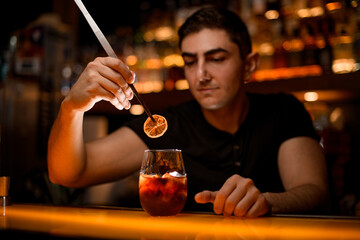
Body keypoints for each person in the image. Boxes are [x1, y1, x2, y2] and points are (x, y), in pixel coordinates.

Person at [47, 7, 329, 217]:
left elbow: (314, 192)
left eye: (217, 59)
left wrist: (267, 201)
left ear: (249, 65)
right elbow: (68, 174)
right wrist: (72, 108)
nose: (201, 74)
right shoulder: (166, 124)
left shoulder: (283, 111)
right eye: (191, 62)